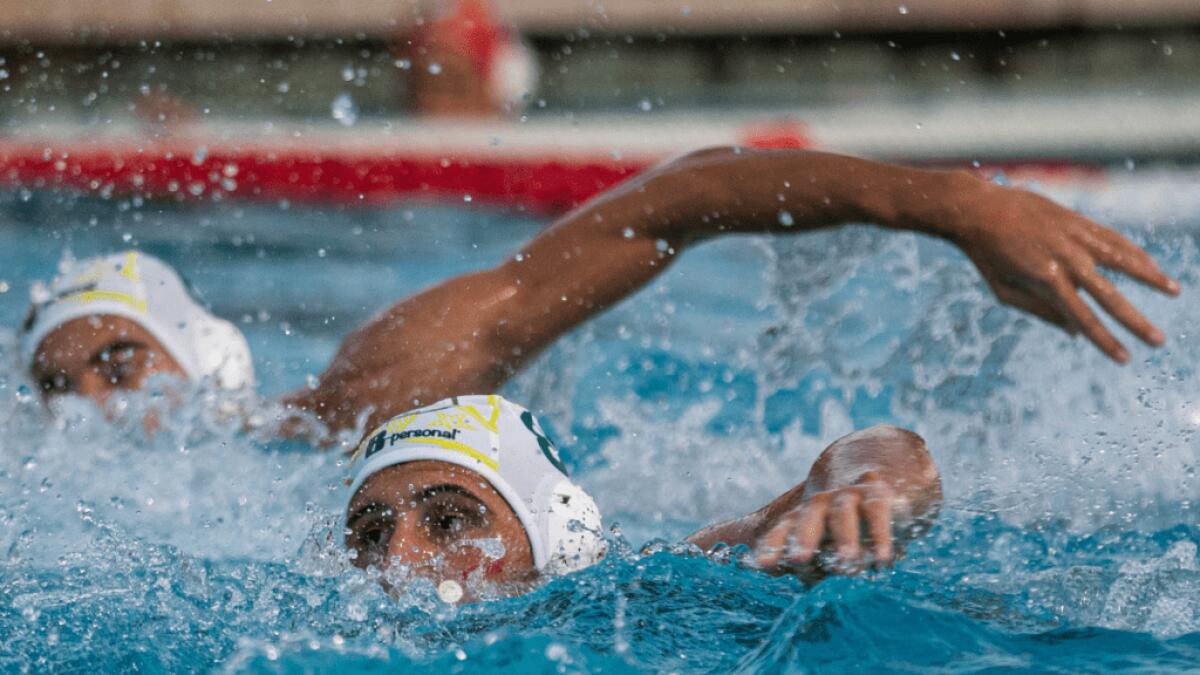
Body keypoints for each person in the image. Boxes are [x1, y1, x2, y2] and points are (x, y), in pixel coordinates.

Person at [20, 147, 1180, 436]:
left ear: (206, 354)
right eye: (55, 385)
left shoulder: (368, 399)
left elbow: (663, 209)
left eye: (119, 358)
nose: (92, 404)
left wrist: (955, 206)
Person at [342, 394, 942, 601]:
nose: (399, 560)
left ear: (561, 533)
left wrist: (864, 489)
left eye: (448, 521)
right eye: (370, 534)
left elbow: (884, 445)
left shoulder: (653, 589)